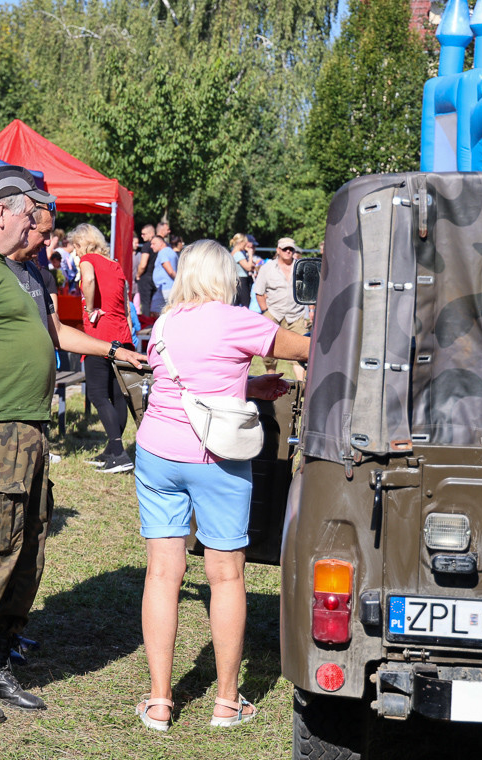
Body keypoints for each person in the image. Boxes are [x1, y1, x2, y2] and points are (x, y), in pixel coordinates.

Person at [0, 166, 145, 725]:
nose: (39, 231)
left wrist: (113, 351)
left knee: (28, 549)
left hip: (28, 432)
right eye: (31, 217)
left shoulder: (17, 270)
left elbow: (50, 335)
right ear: (3, 211)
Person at [132, 239, 309, 732]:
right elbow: (304, 348)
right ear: (226, 277)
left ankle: (160, 702)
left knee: (162, 575)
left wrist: (245, 385)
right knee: (226, 576)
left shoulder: (165, 322)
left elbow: (183, 380)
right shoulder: (235, 320)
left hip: (158, 452)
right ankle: (227, 702)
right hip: (215, 456)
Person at [76, 223, 136, 473]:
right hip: (121, 334)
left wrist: (90, 309)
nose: (76, 252)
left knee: (98, 394)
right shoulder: (115, 264)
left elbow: (88, 278)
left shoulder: (88, 260)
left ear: (83, 243)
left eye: (76, 246)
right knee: (117, 394)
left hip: (99, 336)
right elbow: (126, 302)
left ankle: (118, 451)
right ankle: (113, 451)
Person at [255, 236, 311, 381]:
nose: (288, 251)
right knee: (268, 350)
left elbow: (310, 292)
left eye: (290, 249)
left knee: (302, 351)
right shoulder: (267, 268)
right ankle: (270, 380)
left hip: (296, 316)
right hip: (274, 313)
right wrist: (265, 311)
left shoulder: (301, 267)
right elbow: (259, 292)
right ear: (278, 250)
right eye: (285, 249)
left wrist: (310, 312)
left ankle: (302, 387)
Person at [149, 235, 178, 314]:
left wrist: (179, 281)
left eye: (153, 244)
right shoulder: (171, 252)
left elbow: (170, 271)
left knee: (155, 311)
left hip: (165, 288)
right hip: (169, 287)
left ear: (161, 243)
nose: (151, 246)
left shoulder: (162, 253)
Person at [135, 224, 157, 318]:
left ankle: (146, 323)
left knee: (145, 303)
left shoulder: (147, 246)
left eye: (144, 234)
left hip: (146, 278)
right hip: (155, 277)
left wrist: (138, 275)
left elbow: (143, 264)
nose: (142, 236)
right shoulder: (159, 246)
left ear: (151, 233)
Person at [229, 233, 253, 307]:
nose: (245, 246)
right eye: (244, 244)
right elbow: (248, 267)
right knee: (245, 304)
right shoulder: (238, 254)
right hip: (242, 281)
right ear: (240, 243)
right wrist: (250, 254)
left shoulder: (232, 252)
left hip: (235, 281)